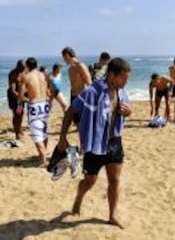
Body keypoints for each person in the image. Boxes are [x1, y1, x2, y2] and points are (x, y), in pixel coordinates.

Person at [57, 57, 132, 228]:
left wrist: (129, 112)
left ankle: (112, 216)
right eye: (124, 78)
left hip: (114, 142)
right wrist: (62, 136)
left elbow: (126, 111)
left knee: (115, 180)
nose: (126, 82)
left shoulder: (122, 92)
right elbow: (70, 111)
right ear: (112, 75)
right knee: (90, 181)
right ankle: (78, 200)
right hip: (95, 144)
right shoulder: (91, 92)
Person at [17, 58, 51, 167]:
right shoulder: (43, 75)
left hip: (35, 106)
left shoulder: (26, 77)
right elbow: (50, 90)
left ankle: (44, 161)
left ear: (27, 66)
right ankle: (43, 155)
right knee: (44, 131)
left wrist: (27, 100)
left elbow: (20, 96)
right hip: (44, 104)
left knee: (37, 135)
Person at [61, 46, 92, 124]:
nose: (63, 60)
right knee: (76, 121)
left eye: (64, 58)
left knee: (83, 122)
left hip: (82, 97)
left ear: (67, 55)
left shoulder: (81, 66)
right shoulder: (70, 69)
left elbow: (89, 83)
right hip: (73, 97)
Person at [7, 60, 26, 143]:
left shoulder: (23, 72)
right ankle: (17, 133)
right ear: (18, 66)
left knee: (21, 113)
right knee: (16, 114)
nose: (24, 69)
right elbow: (13, 90)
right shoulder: (13, 74)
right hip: (13, 96)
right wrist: (20, 97)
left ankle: (19, 129)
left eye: (24, 68)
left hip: (20, 95)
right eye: (22, 68)